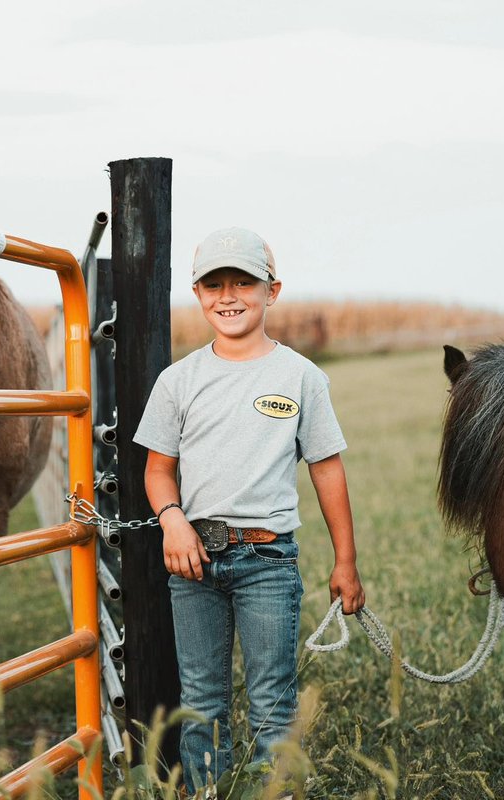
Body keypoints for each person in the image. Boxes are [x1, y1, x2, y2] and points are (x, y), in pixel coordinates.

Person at [133, 226, 366, 794]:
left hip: (269, 560)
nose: (229, 295)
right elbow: (158, 470)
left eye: (244, 282)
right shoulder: (177, 382)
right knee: (202, 698)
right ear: (197, 291)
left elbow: (326, 468)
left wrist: (346, 561)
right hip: (193, 564)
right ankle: (208, 792)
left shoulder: (301, 378)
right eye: (214, 284)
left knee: (272, 700)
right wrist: (173, 521)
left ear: (272, 291)